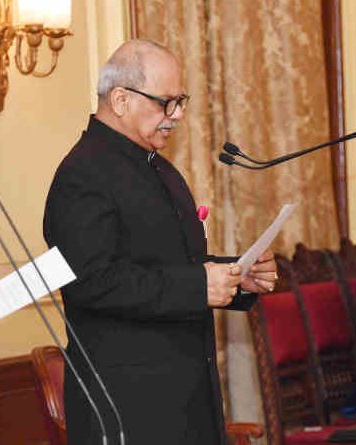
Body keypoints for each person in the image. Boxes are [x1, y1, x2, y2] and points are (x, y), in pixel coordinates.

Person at [43, 39, 277, 445]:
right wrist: (199, 285)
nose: (178, 115)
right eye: (166, 102)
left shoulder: (161, 170)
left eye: (181, 101)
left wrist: (238, 274)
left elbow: (174, 262)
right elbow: (92, 282)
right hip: (129, 406)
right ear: (120, 99)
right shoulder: (81, 174)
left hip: (188, 399)